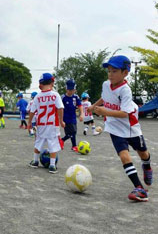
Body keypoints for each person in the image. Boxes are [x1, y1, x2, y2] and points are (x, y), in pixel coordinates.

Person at [88, 55, 152, 202]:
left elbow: (124, 114)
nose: (110, 74)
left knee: (143, 154)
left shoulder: (125, 91)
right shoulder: (106, 84)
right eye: (109, 71)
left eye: (114, 71)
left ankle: (147, 165)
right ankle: (140, 189)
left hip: (130, 127)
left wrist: (104, 111)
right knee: (124, 157)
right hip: (114, 127)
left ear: (125, 73)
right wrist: (94, 105)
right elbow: (105, 97)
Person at [28, 73, 65, 174]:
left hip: (41, 125)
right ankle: (52, 165)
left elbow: (32, 111)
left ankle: (35, 161)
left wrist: (29, 122)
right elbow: (60, 108)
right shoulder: (55, 95)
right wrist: (61, 120)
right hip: (52, 125)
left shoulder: (37, 97)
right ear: (52, 83)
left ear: (40, 84)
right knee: (53, 145)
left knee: (38, 143)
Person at [61, 79, 83, 152]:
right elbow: (59, 108)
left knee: (74, 132)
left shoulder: (76, 97)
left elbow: (80, 105)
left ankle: (62, 140)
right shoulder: (63, 97)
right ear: (66, 89)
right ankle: (74, 146)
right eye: (69, 90)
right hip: (65, 118)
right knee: (71, 132)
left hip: (73, 117)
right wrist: (59, 119)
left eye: (72, 90)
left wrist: (81, 114)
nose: (71, 91)